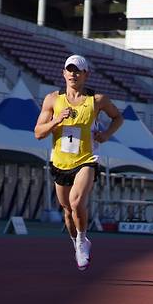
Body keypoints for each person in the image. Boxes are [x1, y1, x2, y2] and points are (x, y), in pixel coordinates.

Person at [34, 54, 123, 271]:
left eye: (78, 70)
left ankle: (82, 240)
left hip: (86, 160)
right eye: (69, 70)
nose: (73, 74)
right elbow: (38, 133)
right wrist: (56, 120)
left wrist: (107, 134)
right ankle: (76, 242)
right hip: (60, 162)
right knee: (67, 210)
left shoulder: (97, 100)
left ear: (86, 74)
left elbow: (118, 118)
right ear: (63, 73)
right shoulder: (53, 100)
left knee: (76, 203)